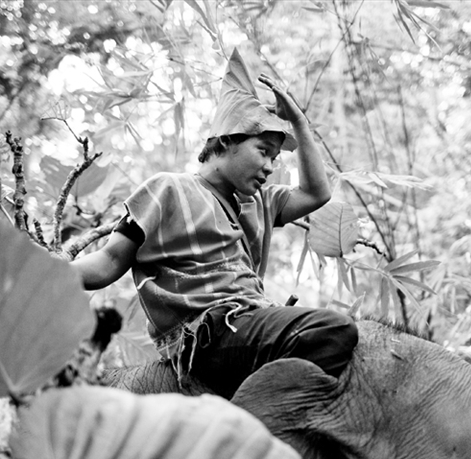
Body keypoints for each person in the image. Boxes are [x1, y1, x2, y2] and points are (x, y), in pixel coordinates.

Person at [71, 48, 358, 397]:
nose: (270, 166)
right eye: (263, 151)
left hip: (248, 324)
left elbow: (316, 193)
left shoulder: (260, 202)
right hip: (209, 335)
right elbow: (110, 261)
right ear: (226, 141)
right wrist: (44, 270)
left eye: (275, 156)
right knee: (333, 330)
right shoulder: (168, 188)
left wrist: (298, 122)